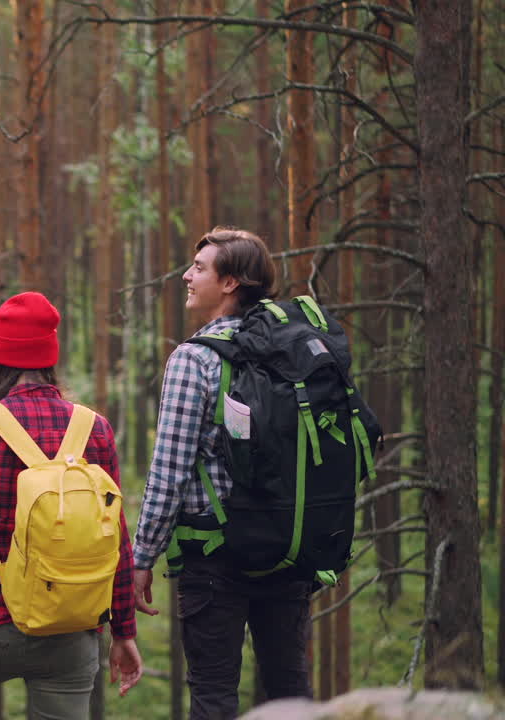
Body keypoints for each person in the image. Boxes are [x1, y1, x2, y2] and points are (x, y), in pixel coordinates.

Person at [0, 291, 142, 720]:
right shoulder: (94, 429)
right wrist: (123, 630)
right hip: (71, 622)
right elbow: (117, 541)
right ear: (49, 357)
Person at [133, 227, 310, 718]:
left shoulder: (194, 360)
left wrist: (142, 557)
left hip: (214, 557)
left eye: (200, 268)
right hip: (287, 547)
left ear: (230, 283)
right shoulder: (290, 351)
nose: (186, 276)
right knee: (291, 691)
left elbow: (169, 470)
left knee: (213, 696)